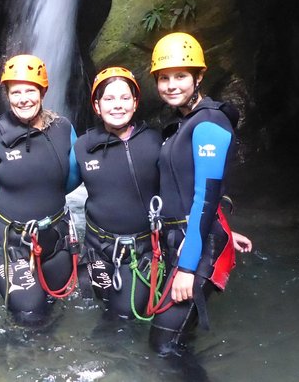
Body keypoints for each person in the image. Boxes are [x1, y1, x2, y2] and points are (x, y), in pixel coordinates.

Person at [147, 32, 252, 355]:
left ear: (199, 77)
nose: (171, 85)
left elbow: (205, 199)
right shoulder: (183, 124)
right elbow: (197, 189)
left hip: (196, 249)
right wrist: (224, 228)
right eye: (164, 78)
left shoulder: (209, 123)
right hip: (186, 237)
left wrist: (188, 269)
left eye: (181, 76)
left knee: (163, 345)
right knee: (176, 343)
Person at [0, 54, 81, 324]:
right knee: (30, 314)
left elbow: (73, 177)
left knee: (58, 308)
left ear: (43, 91)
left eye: (30, 90)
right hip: (13, 242)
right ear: (7, 95)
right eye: (16, 92)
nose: (24, 98)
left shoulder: (63, 129)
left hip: (56, 237)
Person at [74, 67, 162, 319]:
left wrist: (216, 222)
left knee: (122, 316)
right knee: (99, 307)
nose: (117, 105)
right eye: (109, 99)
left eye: (125, 98)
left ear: (135, 104)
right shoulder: (82, 147)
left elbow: (182, 188)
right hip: (97, 248)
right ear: (96, 106)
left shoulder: (155, 142)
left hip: (139, 250)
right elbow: (57, 185)